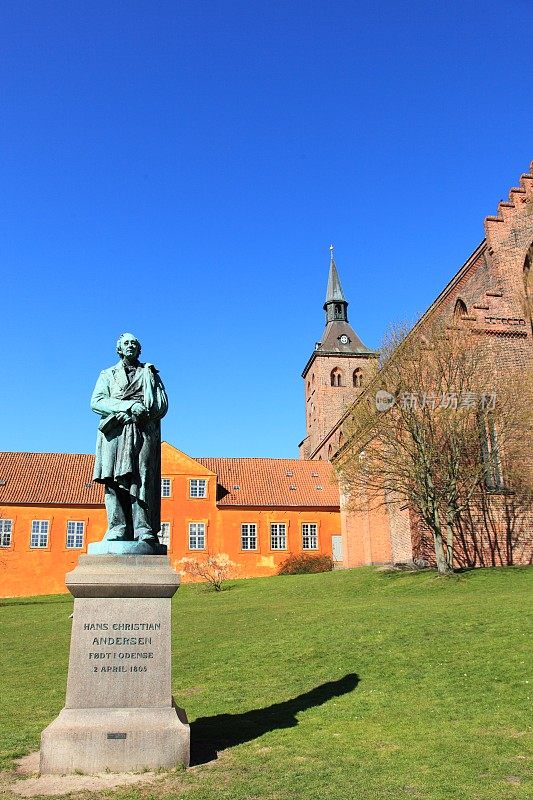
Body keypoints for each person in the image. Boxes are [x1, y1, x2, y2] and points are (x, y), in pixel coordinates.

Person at [91, 333, 168, 546]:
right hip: (115, 432)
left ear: (139, 349)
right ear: (119, 348)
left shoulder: (149, 373)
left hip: (142, 430)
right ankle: (117, 527)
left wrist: (143, 412)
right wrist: (127, 406)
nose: (130, 346)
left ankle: (143, 528)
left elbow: (162, 404)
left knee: (142, 478)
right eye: (126, 343)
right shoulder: (107, 374)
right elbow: (96, 402)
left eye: (134, 343)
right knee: (113, 481)